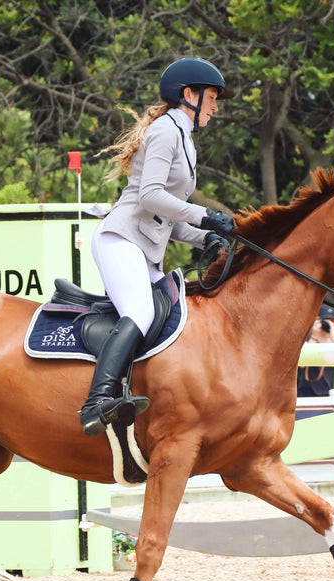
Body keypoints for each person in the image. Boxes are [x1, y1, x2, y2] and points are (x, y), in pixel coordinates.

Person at [79, 57, 236, 436]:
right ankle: (96, 403)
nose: (215, 106)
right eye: (211, 97)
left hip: (144, 245)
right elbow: (150, 197)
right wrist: (206, 215)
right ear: (189, 95)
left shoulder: (184, 138)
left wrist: (206, 236)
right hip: (121, 239)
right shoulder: (167, 131)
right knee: (141, 311)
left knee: (171, 316)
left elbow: (166, 219)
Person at [297, 303, 334, 397]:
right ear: (317, 320)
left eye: (333, 321)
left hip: (326, 393)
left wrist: (332, 335)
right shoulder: (309, 340)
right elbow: (303, 365)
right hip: (305, 392)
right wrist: (313, 334)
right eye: (326, 321)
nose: (329, 324)